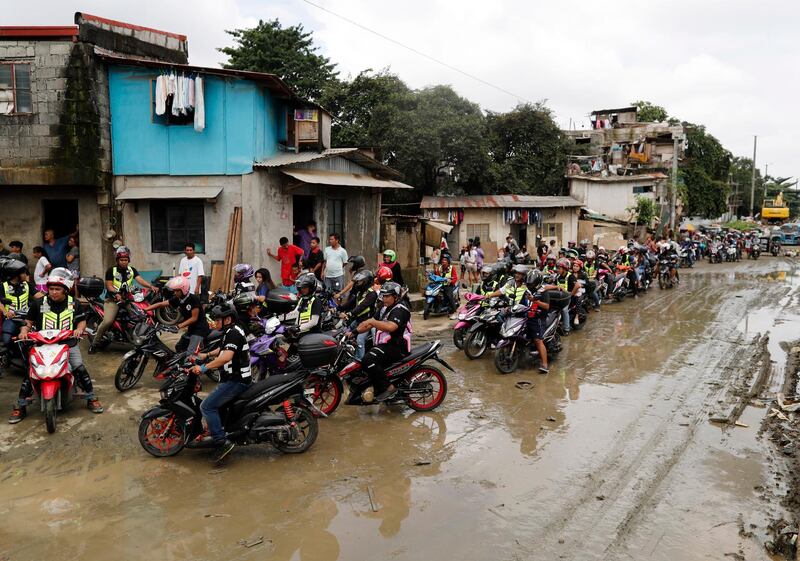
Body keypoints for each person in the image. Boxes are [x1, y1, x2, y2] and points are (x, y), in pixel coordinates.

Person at [9, 269, 103, 423]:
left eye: (57, 289)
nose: (53, 292)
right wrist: (24, 331)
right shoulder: (38, 303)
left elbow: (81, 320)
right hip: (41, 344)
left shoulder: (75, 303)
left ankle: (91, 397)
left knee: (78, 366)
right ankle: (20, 405)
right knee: (31, 372)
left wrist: (79, 329)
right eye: (51, 289)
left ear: (65, 289)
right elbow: (28, 322)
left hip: (68, 343)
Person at [186, 302, 251, 462]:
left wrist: (203, 368)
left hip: (236, 381)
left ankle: (221, 442)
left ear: (227, 319)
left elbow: (226, 356)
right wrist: (205, 355)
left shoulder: (233, 334)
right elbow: (223, 349)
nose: (214, 322)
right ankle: (218, 429)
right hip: (232, 378)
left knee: (206, 406)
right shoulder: (230, 331)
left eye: (218, 319)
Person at [90, 246, 158, 352]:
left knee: (140, 316)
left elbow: (140, 280)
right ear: (117, 260)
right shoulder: (111, 271)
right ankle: (95, 344)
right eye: (121, 260)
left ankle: (138, 339)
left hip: (126, 300)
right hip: (112, 301)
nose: (124, 262)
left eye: (126, 260)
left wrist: (150, 286)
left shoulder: (132, 270)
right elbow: (109, 285)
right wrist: (116, 294)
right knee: (107, 321)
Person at [356, 282, 411, 402]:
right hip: (386, 345)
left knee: (368, 359)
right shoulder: (384, 308)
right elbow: (369, 323)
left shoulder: (400, 309)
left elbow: (391, 327)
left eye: (387, 296)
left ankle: (389, 388)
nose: (384, 298)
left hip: (397, 347)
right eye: (383, 296)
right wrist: (354, 332)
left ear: (395, 297)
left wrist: (372, 322)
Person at [145, 276, 209, 354]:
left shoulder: (193, 299)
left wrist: (178, 326)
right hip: (191, 329)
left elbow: (194, 318)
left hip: (200, 330)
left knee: (191, 354)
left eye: (177, 291)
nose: (175, 293)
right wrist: (145, 309)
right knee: (179, 348)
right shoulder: (178, 299)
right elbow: (161, 304)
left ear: (184, 289)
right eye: (174, 291)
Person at [342, 269, 378, 360]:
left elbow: (362, 306)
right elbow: (350, 303)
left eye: (361, 281)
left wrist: (350, 314)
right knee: (343, 334)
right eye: (358, 281)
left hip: (367, 322)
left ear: (367, 281)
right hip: (358, 320)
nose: (358, 283)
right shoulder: (359, 292)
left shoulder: (372, 294)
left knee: (360, 341)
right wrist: (337, 308)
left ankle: (358, 361)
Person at [0, 269, 38, 351]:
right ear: (16, 275)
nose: (27, 275)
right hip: (11, 319)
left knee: (33, 339)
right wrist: (5, 312)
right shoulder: (3, 286)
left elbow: (38, 295)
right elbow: (0, 302)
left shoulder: (27, 284)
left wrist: (49, 294)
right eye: (24, 273)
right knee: (6, 340)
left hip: (26, 318)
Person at [525, 269, 550, 374]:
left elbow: (547, 306)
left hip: (538, 318)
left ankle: (545, 365)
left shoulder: (543, 292)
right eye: (528, 283)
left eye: (532, 283)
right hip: (526, 316)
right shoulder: (526, 291)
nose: (529, 285)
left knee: (538, 340)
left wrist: (535, 301)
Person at [543, 258, 575, 335]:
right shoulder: (557, 276)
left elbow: (577, 285)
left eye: (559, 268)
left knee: (564, 310)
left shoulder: (570, 276)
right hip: (558, 296)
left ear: (565, 269)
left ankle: (566, 328)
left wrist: (570, 294)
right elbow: (553, 284)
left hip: (566, 298)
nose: (557, 270)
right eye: (557, 268)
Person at [437, 255, 459, 320]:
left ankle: (455, 312)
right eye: (442, 260)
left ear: (448, 261)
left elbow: (455, 277)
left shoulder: (452, 268)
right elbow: (437, 276)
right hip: (440, 285)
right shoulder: (439, 268)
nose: (443, 261)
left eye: (445, 260)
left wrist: (451, 281)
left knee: (449, 296)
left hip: (448, 285)